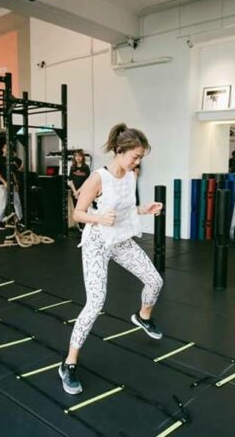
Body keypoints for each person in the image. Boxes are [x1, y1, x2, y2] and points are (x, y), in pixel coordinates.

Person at [59, 123, 164, 395]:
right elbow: (77, 214)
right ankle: (69, 363)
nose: (137, 162)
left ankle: (143, 316)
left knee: (155, 281)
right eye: (135, 156)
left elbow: (126, 210)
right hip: (96, 243)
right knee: (95, 303)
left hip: (120, 239)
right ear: (120, 150)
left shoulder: (130, 175)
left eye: (140, 158)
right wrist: (98, 218)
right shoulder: (98, 178)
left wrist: (144, 209)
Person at [0, 143, 22, 229]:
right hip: (2, 185)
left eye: (9, 148)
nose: (7, 150)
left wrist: (16, 183)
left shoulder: (12, 160)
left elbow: (13, 172)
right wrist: (5, 182)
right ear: (3, 149)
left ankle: (20, 220)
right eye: (6, 148)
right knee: (3, 203)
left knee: (17, 202)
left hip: (12, 184)